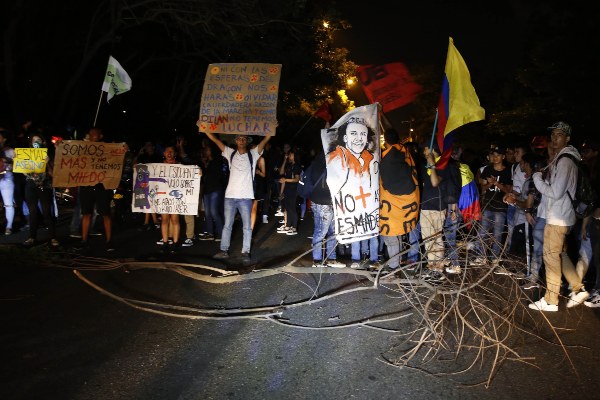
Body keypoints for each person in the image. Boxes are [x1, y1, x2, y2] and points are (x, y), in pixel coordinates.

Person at [529, 121, 589, 312]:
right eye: (553, 135)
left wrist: (536, 178)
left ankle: (550, 300)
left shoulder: (564, 160)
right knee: (560, 254)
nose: (554, 138)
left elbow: (554, 192)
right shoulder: (564, 158)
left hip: (557, 218)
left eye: (559, 135)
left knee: (550, 257)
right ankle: (578, 288)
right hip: (563, 216)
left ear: (568, 138)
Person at [201, 129, 273, 261]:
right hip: (230, 196)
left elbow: (265, 140)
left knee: (246, 226)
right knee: (227, 225)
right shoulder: (230, 153)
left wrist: (272, 128)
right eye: (239, 138)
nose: (241, 140)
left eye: (244, 138)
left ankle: (245, 252)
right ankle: (224, 250)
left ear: (247, 141)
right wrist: (205, 130)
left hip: (245, 197)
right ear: (235, 141)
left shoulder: (253, 154)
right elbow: (215, 140)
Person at [378, 129, 420, 273]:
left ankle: (393, 267)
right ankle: (397, 262)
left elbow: (387, 181)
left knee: (390, 237)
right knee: (399, 235)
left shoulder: (388, 158)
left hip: (391, 207)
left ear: (386, 142)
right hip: (406, 204)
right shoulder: (406, 154)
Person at [76, 128, 116, 251]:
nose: (92, 136)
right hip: (86, 186)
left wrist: (122, 150)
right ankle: (84, 240)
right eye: (91, 134)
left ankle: (109, 241)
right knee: (86, 213)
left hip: (102, 186)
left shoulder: (106, 149)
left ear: (101, 135)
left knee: (105, 214)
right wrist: (59, 147)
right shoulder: (84, 148)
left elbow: (116, 160)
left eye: (95, 134)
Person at [472, 145, 513, 266]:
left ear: (503, 157)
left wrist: (496, 183)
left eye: (498, 155)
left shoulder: (507, 171)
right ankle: (481, 256)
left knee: (497, 233)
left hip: (501, 207)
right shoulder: (487, 170)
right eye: (493, 155)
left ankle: (494, 257)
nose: (495, 158)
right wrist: (489, 184)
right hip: (488, 206)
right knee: (482, 232)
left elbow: (508, 190)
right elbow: (483, 188)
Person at [308, 148, 344, 268]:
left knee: (332, 232)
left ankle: (330, 258)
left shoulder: (319, 161)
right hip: (323, 202)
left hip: (328, 202)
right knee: (321, 232)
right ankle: (317, 260)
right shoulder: (324, 163)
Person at [22, 134, 59, 247]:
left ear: (42, 142)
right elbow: (24, 172)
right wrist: (17, 160)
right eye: (34, 140)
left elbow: (53, 173)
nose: (36, 142)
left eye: (38, 140)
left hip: (45, 186)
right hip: (30, 186)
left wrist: (48, 163)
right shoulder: (26, 154)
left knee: (47, 212)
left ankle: (52, 237)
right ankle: (32, 237)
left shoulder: (49, 154)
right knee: (32, 213)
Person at [198, 142, 225, 242]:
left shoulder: (217, 160)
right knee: (207, 213)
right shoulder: (206, 162)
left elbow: (216, 175)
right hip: (207, 190)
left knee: (214, 212)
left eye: (207, 149)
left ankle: (222, 234)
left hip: (216, 189)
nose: (206, 151)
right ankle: (210, 233)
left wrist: (206, 167)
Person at [135, 141, 163, 231]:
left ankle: (149, 222)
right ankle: (152, 221)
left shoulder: (157, 157)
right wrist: (139, 154)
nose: (147, 147)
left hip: (154, 182)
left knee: (151, 199)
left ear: (153, 147)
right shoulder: (143, 157)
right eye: (146, 146)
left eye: (149, 145)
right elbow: (134, 165)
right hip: (144, 182)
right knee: (147, 200)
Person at [158, 146, 182, 253]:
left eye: (171, 151)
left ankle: (176, 243)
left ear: (175, 153)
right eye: (167, 151)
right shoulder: (158, 167)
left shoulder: (180, 166)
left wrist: (198, 172)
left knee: (175, 220)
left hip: (175, 197)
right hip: (163, 197)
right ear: (164, 153)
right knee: (164, 220)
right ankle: (165, 242)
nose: (169, 153)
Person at [276, 149, 301, 235]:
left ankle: (294, 227)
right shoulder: (289, 165)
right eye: (289, 155)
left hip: (294, 189)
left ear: (295, 156)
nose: (289, 156)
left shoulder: (297, 166)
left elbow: (297, 179)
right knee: (287, 208)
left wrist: (286, 179)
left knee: (292, 208)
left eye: (291, 155)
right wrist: (284, 160)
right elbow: (281, 172)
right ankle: (288, 225)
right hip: (287, 189)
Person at [0, 129, 16, 235]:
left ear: (4, 139)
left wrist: (8, 160)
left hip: (6, 177)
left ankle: (9, 227)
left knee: (8, 203)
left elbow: (19, 164)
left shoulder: (10, 151)